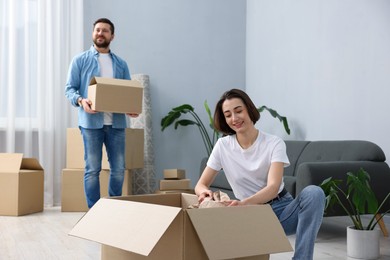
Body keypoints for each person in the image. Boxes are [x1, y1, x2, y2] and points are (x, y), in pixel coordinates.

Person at [195, 89, 325, 260]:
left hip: (281, 210)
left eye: (238, 111)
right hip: (248, 214)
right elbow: (200, 184)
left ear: (249, 109)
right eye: (228, 115)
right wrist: (203, 192)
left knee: (314, 193)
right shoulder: (222, 146)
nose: (234, 118)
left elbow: (272, 187)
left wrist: (244, 203)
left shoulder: (273, 143)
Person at [65, 18, 138, 208]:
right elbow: (70, 89)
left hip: (116, 124)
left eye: (105, 31)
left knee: (118, 170)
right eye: (97, 30)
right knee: (92, 169)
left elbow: (127, 91)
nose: (100, 33)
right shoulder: (80, 60)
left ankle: (112, 209)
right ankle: (94, 211)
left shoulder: (121, 64)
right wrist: (82, 101)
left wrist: (131, 107)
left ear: (112, 36)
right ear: (93, 33)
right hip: (91, 124)